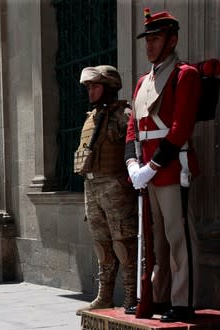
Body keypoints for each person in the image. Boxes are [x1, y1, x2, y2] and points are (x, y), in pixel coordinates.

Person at [125, 8, 201, 322]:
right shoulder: (144, 81)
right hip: (146, 169)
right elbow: (132, 127)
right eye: (148, 40)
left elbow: (180, 128)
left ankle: (182, 301)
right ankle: (158, 297)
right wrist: (132, 164)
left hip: (170, 167)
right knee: (155, 238)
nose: (150, 46)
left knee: (177, 234)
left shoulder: (185, 74)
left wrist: (152, 166)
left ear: (172, 40)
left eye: (156, 39)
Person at [74, 65, 138, 314]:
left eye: (95, 85)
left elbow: (135, 145)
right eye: (88, 86)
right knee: (102, 244)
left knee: (124, 242)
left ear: (110, 86)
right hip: (92, 185)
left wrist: (127, 178)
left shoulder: (124, 114)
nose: (90, 90)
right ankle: (105, 296)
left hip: (115, 187)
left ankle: (131, 297)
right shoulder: (91, 117)